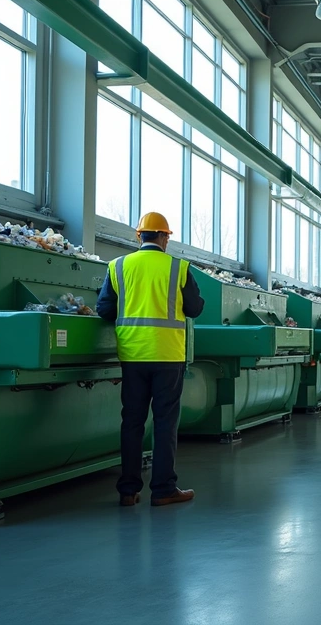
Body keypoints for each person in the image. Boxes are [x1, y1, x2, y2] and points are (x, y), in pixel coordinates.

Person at [97, 212, 205, 507]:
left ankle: (128, 490)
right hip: (168, 356)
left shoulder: (118, 266)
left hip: (132, 355)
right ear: (163, 236)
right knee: (164, 423)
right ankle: (163, 489)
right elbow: (194, 309)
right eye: (167, 236)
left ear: (139, 236)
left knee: (131, 422)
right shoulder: (178, 268)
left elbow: (104, 309)